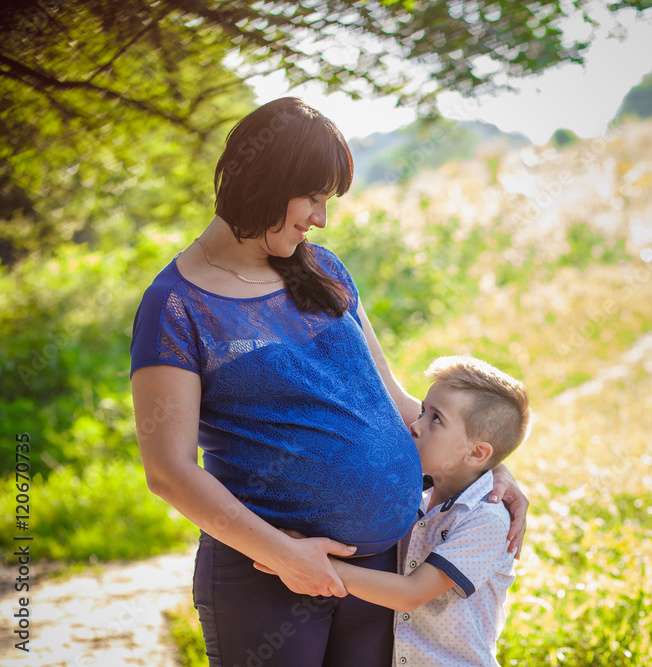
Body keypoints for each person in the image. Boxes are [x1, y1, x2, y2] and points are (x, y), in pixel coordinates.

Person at [129, 97, 527, 667]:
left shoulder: (324, 270)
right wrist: (287, 557)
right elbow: (169, 471)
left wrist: (486, 468)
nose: (320, 217)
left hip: (381, 567)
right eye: (312, 197)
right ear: (265, 182)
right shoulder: (176, 306)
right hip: (265, 576)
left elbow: (393, 399)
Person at [266, 355, 531, 666]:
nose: (414, 426)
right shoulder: (415, 492)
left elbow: (412, 593)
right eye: (422, 411)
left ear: (476, 453)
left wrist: (310, 562)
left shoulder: (486, 518)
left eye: (436, 419)